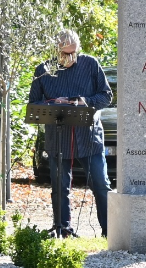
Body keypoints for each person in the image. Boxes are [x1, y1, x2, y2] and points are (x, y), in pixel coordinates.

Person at [28, 29, 112, 237]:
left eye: (74, 52)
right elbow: (33, 104)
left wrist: (85, 101)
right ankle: (63, 230)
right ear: (56, 51)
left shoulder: (91, 64)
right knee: (60, 187)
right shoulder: (43, 70)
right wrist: (53, 104)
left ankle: (110, 231)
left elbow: (106, 96)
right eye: (65, 54)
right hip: (58, 139)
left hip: (89, 138)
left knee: (101, 184)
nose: (70, 57)